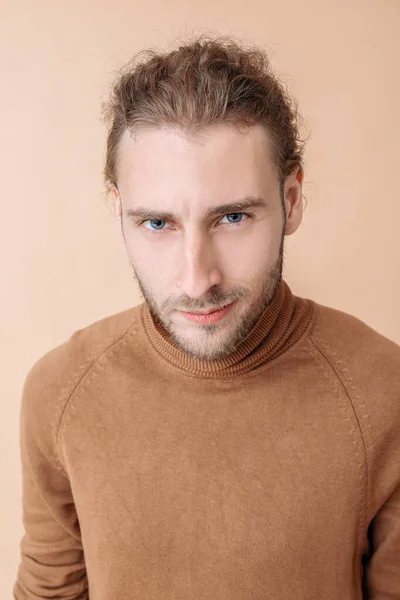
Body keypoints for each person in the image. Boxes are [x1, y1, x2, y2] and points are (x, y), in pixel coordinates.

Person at [13, 36, 400, 599]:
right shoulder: (59, 393)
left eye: (233, 216)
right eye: (157, 224)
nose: (197, 280)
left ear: (291, 199)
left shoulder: (384, 390)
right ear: (118, 210)